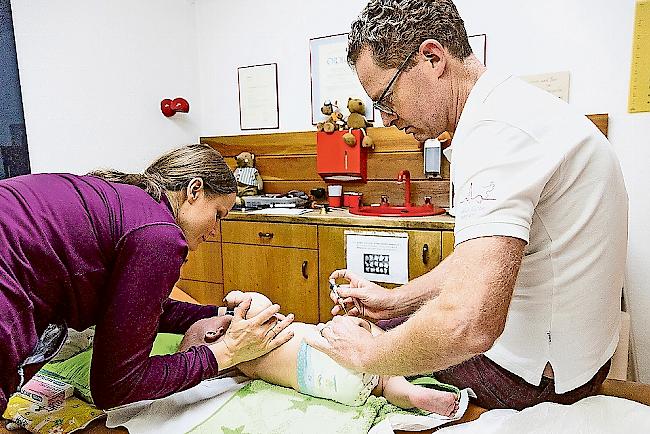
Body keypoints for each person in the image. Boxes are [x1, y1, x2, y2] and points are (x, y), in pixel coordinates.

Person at [305, 0, 628, 411]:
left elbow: (469, 324)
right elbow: (474, 262)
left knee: (351, 341)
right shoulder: (513, 109)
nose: (385, 121)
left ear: (432, 57)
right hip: (573, 357)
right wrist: (395, 300)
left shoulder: (495, 133)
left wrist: (366, 354)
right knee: (377, 325)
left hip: (537, 379)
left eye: (385, 99)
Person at [0, 144, 294, 414]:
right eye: (218, 214)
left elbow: (136, 308)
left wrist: (222, 313)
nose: (215, 231)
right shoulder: (159, 234)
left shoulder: (125, 203)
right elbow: (116, 386)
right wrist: (226, 352)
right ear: (194, 190)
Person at [182, 291, 459, 417]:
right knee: (366, 335)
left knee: (382, 386)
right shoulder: (250, 329)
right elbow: (261, 304)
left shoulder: (242, 367)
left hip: (330, 387)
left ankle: (411, 395)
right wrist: (238, 297)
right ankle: (412, 382)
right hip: (325, 351)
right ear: (213, 335)